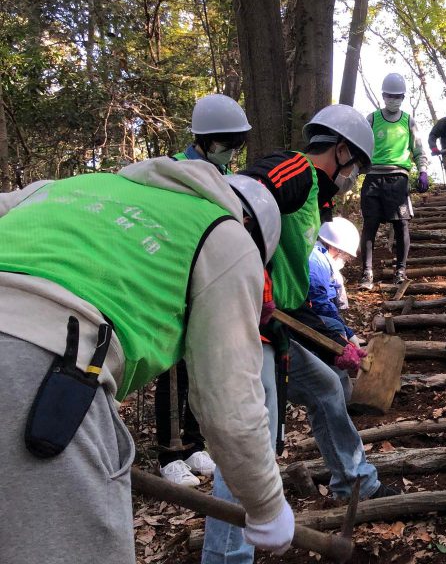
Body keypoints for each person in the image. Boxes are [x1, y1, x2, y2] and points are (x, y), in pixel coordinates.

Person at [0, 157, 294, 562]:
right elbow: (229, 405)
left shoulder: (74, 185)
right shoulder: (226, 236)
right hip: (41, 372)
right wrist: (268, 508)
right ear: (251, 231)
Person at [202, 105, 395, 564]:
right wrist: (249, 280)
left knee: (328, 387)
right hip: (244, 323)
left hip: (276, 324)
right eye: (357, 168)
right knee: (250, 442)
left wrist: (338, 342)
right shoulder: (296, 170)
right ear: (342, 151)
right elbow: (231, 201)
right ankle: (226, 558)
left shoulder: (317, 201)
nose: (355, 178)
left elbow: (297, 294)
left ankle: (353, 478)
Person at [157, 93, 251, 485]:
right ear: (207, 140)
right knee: (172, 369)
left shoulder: (222, 177)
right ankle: (168, 453)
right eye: (228, 144)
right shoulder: (172, 172)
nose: (233, 152)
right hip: (172, 279)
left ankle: (195, 444)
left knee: (200, 365)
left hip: (207, 282)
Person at [359, 72, 430, 289]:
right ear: (383, 95)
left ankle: (400, 270)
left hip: (398, 178)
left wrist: (423, 170)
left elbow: (418, 149)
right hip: (373, 177)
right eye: (389, 95)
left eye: (397, 96)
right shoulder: (371, 119)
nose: (393, 99)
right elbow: (358, 146)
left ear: (403, 97)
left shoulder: (408, 121)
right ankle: (367, 273)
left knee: (401, 225)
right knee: (370, 224)